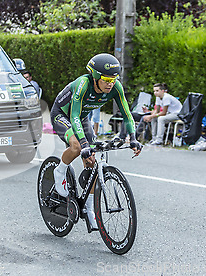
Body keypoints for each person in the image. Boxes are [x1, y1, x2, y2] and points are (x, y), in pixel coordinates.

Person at [50, 53, 142, 229]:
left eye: (114, 79)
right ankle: (60, 171)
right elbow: (74, 115)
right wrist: (84, 144)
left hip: (81, 118)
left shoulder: (116, 88)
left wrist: (133, 138)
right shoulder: (83, 84)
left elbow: (127, 114)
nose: (111, 83)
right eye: (106, 79)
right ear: (96, 77)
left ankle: (89, 208)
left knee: (93, 162)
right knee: (77, 146)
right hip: (63, 115)